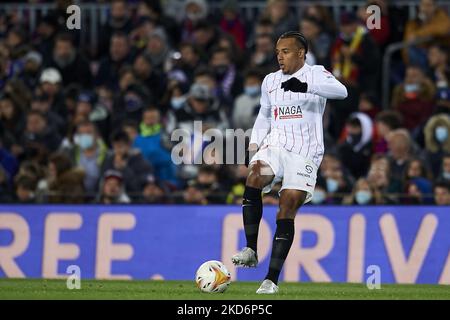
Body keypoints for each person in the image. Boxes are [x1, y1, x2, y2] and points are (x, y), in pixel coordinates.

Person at [231, 31, 347, 294]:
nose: (279, 56)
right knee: (255, 176)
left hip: (305, 152)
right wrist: (254, 145)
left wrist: (306, 87)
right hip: (276, 145)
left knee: (287, 205)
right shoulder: (270, 81)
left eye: (285, 51)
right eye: (277, 52)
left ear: (301, 53)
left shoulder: (316, 73)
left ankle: (271, 280)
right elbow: (264, 115)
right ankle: (250, 249)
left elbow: (342, 92)